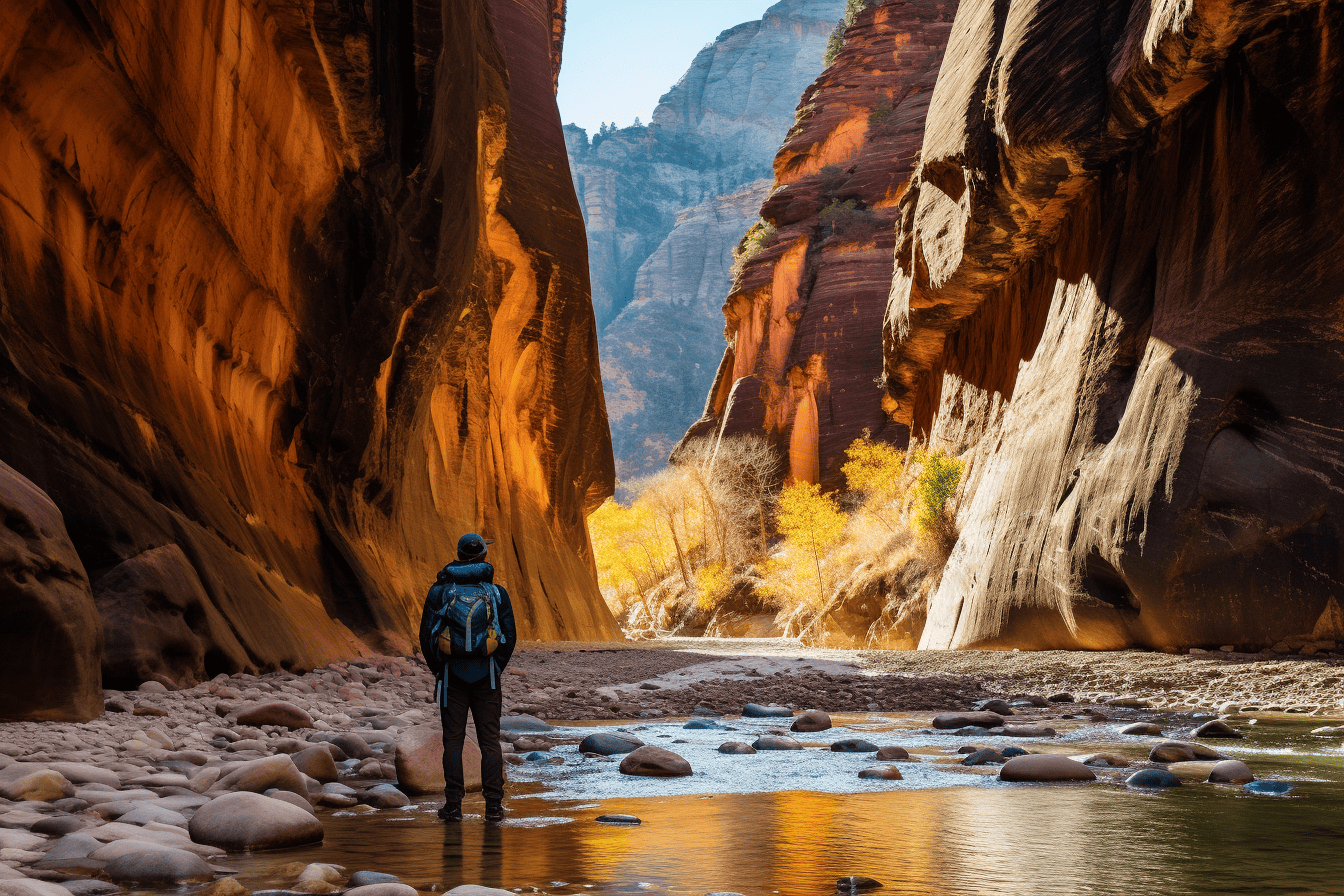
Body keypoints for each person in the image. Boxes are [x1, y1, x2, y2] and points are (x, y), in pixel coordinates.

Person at [419, 532, 517, 823]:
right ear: (484, 557)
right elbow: (509, 636)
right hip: (486, 676)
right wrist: (496, 666)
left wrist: (440, 667)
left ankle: (453, 807)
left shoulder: (439, 591)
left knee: (453, 741)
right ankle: (494, 808)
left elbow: (427, 635)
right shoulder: (497, 593)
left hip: (452, 676)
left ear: (459, 555)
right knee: (489, 742)